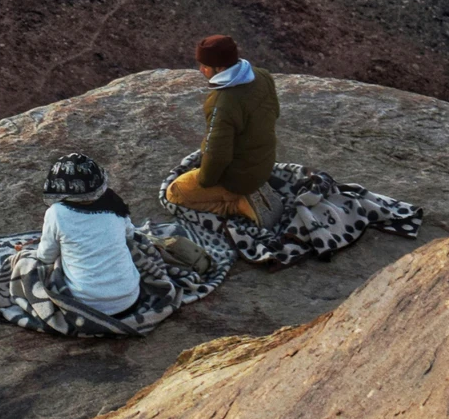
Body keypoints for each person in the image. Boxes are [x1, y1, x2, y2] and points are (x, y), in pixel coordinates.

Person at [163, 34, 283, 226]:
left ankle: (239, 203)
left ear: (220, 68)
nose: (201, 70)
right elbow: (275, 112)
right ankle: (255, 188)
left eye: (205, 66)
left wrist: (204, 180)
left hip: (239, 179)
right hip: (265, 163)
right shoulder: (262, 75)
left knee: (175, 191)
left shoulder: (223, 102)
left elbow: (217, 154)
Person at [17, 154, 141, 316]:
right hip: (130, 300)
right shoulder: (115, 204)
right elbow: (129, 236)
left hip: (87, 306)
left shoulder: (56, 213)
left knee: (23, 264)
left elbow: (46, 256)